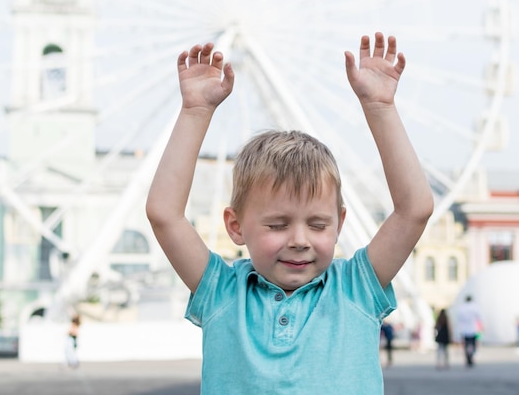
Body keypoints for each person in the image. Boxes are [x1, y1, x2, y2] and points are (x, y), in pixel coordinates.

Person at [146, 33, 433, 394]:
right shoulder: (221, 292)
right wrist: (195, 112)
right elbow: (164, 214)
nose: (299, 240)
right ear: (235, 226)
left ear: (340, 224)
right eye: (278, 225)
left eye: (317, 225)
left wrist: (380, 108)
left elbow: (414, 210)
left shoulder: (356, 288)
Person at [456, 295, 483, 367]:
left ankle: (468, 357)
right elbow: (479, 318)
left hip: (464, 330)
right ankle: (471, 355)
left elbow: (459, 320)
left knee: (466, 345)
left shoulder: (461, 308)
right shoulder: (475, 307)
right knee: (473, 345)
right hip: (473, 329)